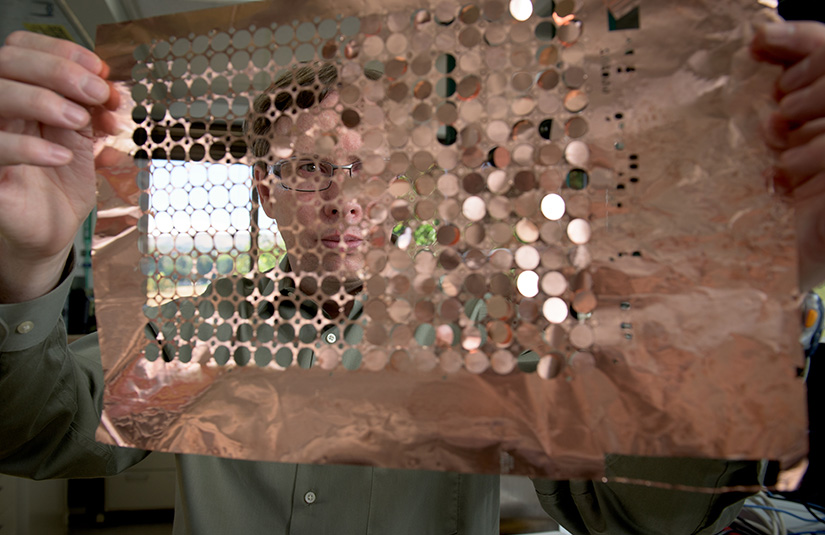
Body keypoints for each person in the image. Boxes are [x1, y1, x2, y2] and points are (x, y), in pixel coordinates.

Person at [0, 17, 823, 534]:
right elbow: (35, 432)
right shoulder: (195, 329)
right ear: (266, 191)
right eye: (312, 168)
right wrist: (27, 267)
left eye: (371, 171)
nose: (344, 198)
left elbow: (647, 511)